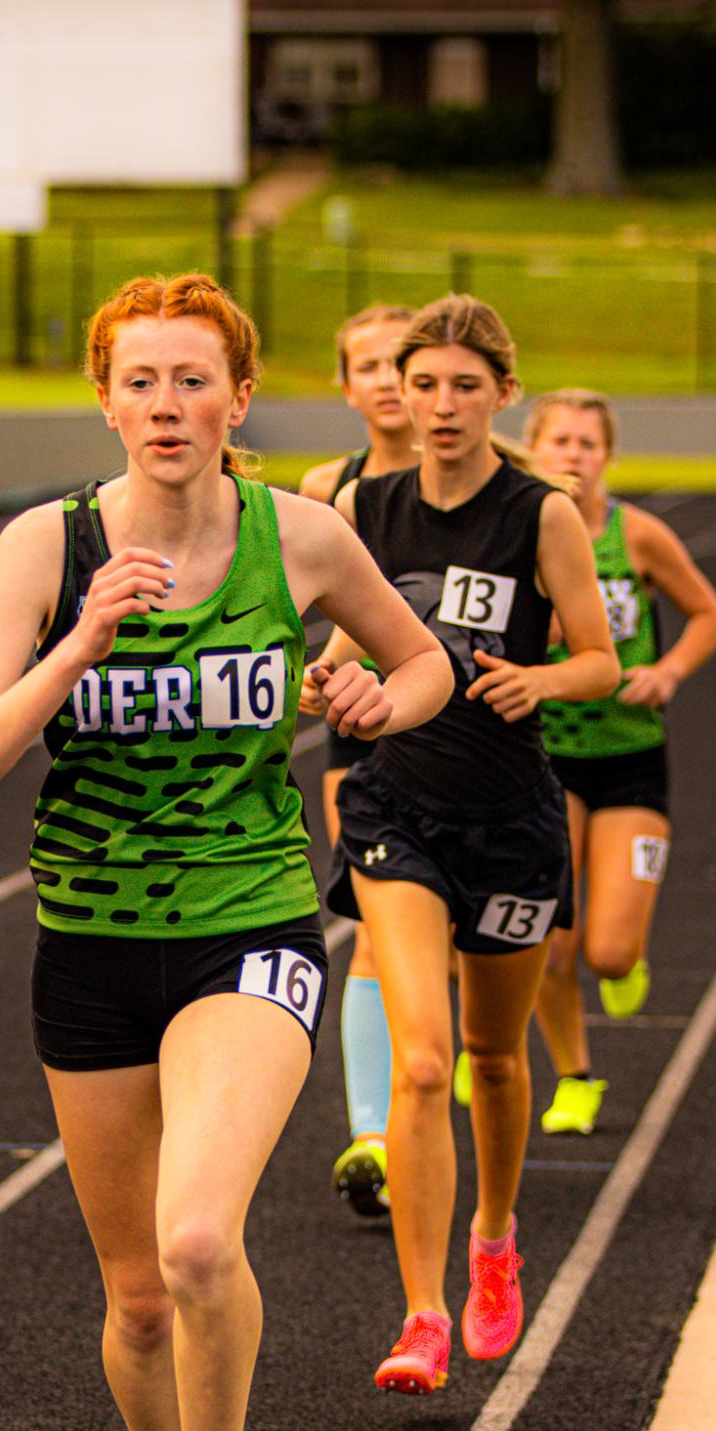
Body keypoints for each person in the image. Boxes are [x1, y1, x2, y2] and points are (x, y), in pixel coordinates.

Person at [0, 272, 449, 1431]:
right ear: (103, 398)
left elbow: (423, 668)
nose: (167, 406)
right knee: (138, 1297)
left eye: (192, 380)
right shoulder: (45, 547)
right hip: (88, 943)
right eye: (139, 381)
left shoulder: (301, 535)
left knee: (201, 1239)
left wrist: (368, 701)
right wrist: (75, 645)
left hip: (248, 920)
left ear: (238, 395)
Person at [314, 294, 619, 1393]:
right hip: (397, 807)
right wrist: (330, 679)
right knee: (422, 1059)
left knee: (493, 1058)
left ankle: (493, 1240)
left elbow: (598, 659)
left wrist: (539, 678)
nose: (436, 405)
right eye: (420, 383)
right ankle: (423, 1314)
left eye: (461, 386)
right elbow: (350, 639)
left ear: (502, 393)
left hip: (509, 819)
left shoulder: (539, 515)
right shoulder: (364, 505)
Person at [525, 389, 716, 1133]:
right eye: (561, 442)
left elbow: (710, 613)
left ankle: (625, 957)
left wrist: (668, 670)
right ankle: (575, 1077)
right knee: (552, 942)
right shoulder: (523, 532)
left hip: (632, 756)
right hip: (550, 757)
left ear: (607, 455)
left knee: (607, 951)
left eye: (588, 443)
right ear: (534, 449)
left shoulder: (637, 536)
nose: (574, 455)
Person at [299, 305, 419, 1221]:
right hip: (360, 723)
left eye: (401, 363)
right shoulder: (328, 486)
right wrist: (323, 670)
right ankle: (375, 1132)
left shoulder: (496, 486)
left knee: (443, 937)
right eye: (367, 366)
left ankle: (434, 1078)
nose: (385, 380)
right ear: (346, 385)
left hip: (468, 731)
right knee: (376, 916)